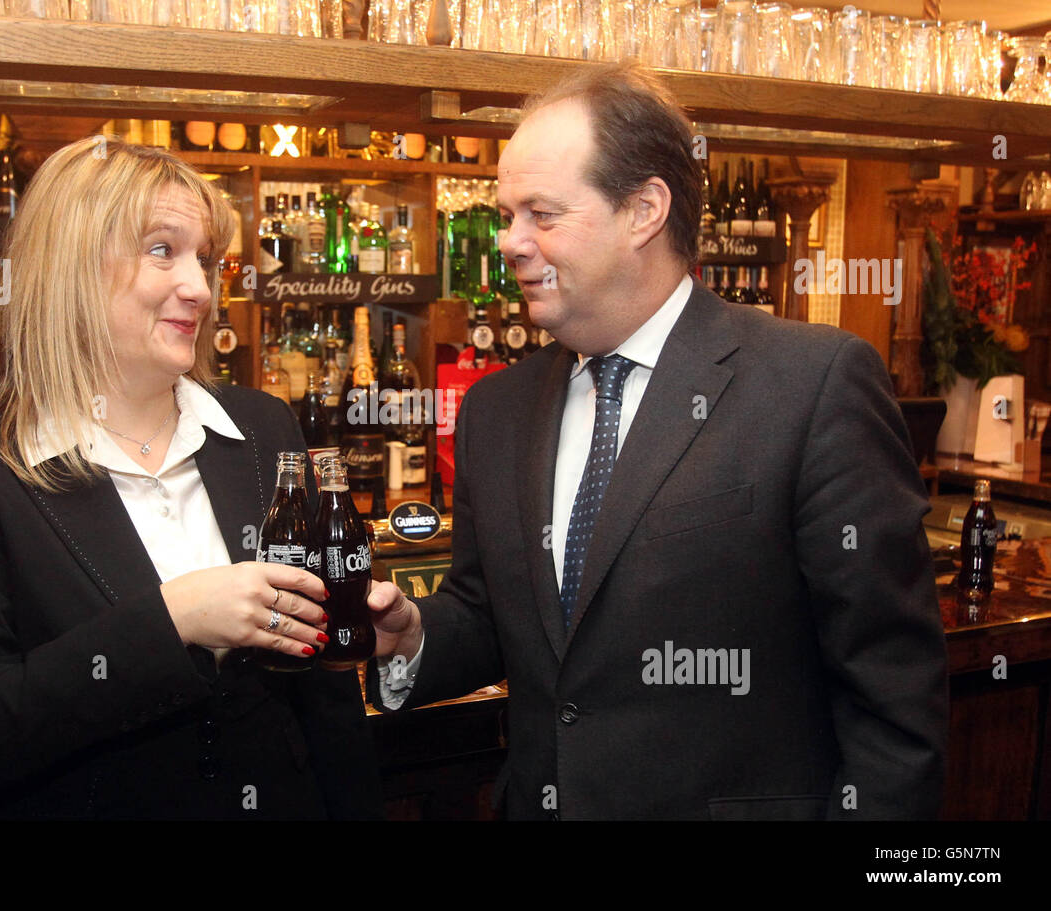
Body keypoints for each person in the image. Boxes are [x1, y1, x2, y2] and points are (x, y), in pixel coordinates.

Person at [365, 62, 948, 820]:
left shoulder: (811, 384)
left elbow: (895, 703)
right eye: (507, 213)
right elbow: (491, 616)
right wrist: (412, 638)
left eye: (541, 213)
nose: (511, 241)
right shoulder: (496, 411)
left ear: (643, 210)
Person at [0, 138, 382, 820]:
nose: (202, 289)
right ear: (71, 267)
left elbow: (327, 705)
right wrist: (173, 619)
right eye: (163, 250)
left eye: (205, 259)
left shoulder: (261, 427)